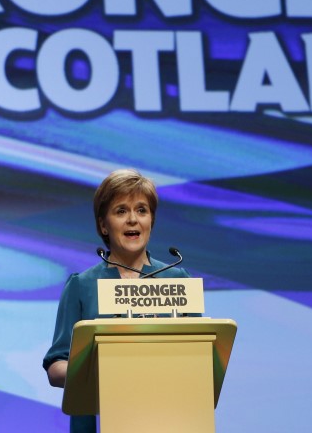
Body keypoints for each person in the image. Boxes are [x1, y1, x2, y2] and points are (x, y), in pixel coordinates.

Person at [42, 168, 193, 433]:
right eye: (121, 211)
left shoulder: (177, 281)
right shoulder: (83, 285)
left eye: (142, 210)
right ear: (103, 224)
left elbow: (200, 357)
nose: (133, 220)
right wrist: (99, 369)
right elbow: (56, 367)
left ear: (151, 220)